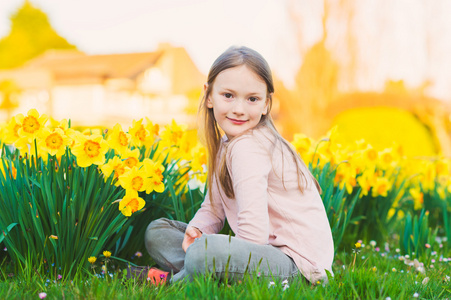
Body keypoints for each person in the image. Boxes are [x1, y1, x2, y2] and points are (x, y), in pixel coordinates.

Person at [142, 46, 334, 285]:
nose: (239, 109)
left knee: (205, 253)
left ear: (266, 104)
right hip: (263, 255)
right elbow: (212, 209)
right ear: (209, 95)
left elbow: (253, 236)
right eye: (228, 96)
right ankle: (203, 272)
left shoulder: (249, 147)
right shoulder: (226, 144)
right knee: (158, 232)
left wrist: (212, 251)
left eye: (252, 99)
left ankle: (169, 281)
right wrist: (198, 230)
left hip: (298, 269)